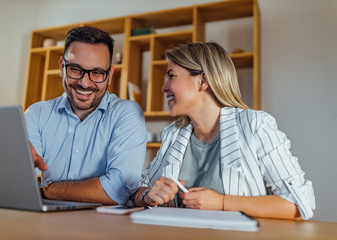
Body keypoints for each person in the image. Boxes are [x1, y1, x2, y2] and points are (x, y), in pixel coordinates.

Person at [133, 42, 315, 220]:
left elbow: (299, 203)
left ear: (202, 81)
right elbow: (140, 187)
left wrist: (221, 202)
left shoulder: (255, 125)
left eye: (172, 76)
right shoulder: (173, 133)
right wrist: (147, 196)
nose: (164, 87)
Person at [25, 27, 147, 205]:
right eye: (75, 69)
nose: (84, 82)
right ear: (61, 67)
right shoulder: (37, 114)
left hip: (105, 229)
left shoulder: (126, 113)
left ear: (110, 75)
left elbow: (117, 190)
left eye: (97, 73)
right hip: (45, 223)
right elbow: (17, 180)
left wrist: (46, 190)